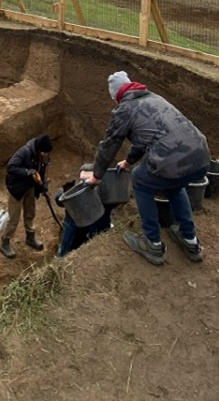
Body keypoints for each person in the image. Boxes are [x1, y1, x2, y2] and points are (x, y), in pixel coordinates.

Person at [87, 71, 210, 266]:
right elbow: (145, 138)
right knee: (174, 185)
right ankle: (190, 241)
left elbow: (109, 144)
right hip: (202, 157)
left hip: (174, 161)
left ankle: (152, 242)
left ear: (116, 96)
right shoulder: (153, 98)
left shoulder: (124, 109)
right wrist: (127, 161)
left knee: (140, 180)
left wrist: (96, 176)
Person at [0, 134, 52, 258]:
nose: (46, 156)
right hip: (17, 189)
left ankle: (30, 238)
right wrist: (28, 172)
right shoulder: (24, 152)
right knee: (13, 219)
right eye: (45, 153)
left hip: (30, 188)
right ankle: (5, 243)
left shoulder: (42, 157)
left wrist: (43, 188)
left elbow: (42, 175)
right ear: (39, 150)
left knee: (30, 213)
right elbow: (11, 167)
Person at [55, 165, 115, 257]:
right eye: (82, 181)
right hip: (73, 232)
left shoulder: (102, 197)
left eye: (88, 181)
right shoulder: (73, 194)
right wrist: (65, 194)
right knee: (64, 252)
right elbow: (59, 200)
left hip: (92, 236)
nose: (84, 184)